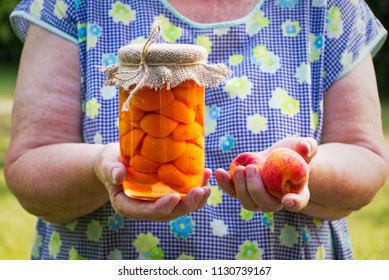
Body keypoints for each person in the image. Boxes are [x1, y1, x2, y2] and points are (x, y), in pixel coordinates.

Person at [5, 0, 388, 260]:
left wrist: (302, 169)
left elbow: (366, 155)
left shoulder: (328, 7)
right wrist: (98, 166)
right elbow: (29, 162)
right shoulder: (70, 6)